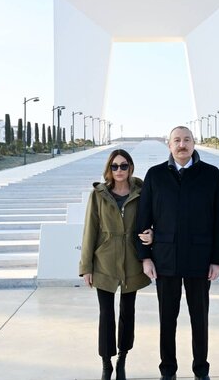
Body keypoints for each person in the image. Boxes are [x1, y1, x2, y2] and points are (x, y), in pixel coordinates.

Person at [135, 126, 219, 380]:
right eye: (177, 140)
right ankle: (168, 371)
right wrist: (145, 257)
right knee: (167, 320)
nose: (182, 144)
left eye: (187, 140)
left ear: (194, 143)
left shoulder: (211, 174)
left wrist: (217, 260)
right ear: (169, 145)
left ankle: (201, 370)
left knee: (200, 319)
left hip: (200, 259)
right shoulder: (155, 175)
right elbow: (143, 218)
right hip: (165, 259)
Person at [79, 149, 153, 380]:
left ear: (130, 167)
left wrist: (153, 234)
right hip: (104, 261)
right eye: (114, 166)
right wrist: (86, 267)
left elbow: (153, 220)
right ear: (109, 169)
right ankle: (106, 363)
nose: (119, 170)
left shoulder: (142, 192)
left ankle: (122, 358)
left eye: (123, 166)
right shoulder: (98, 194)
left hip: (132, 261)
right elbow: (90, 230)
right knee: (106, 313)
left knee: (127, 312)